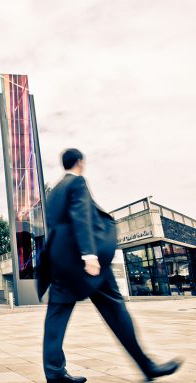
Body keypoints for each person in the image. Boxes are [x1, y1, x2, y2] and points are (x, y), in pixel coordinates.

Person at [39, 148, 183, 383]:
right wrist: (89, 255)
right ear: (79, 162)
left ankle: (54, 372)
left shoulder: (53, 192)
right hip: (85, 264)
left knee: (56, 316)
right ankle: (147, 367)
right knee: (116, 311)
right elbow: (81, 215)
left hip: (61, 264)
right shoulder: (77, 183)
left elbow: (55, 227)